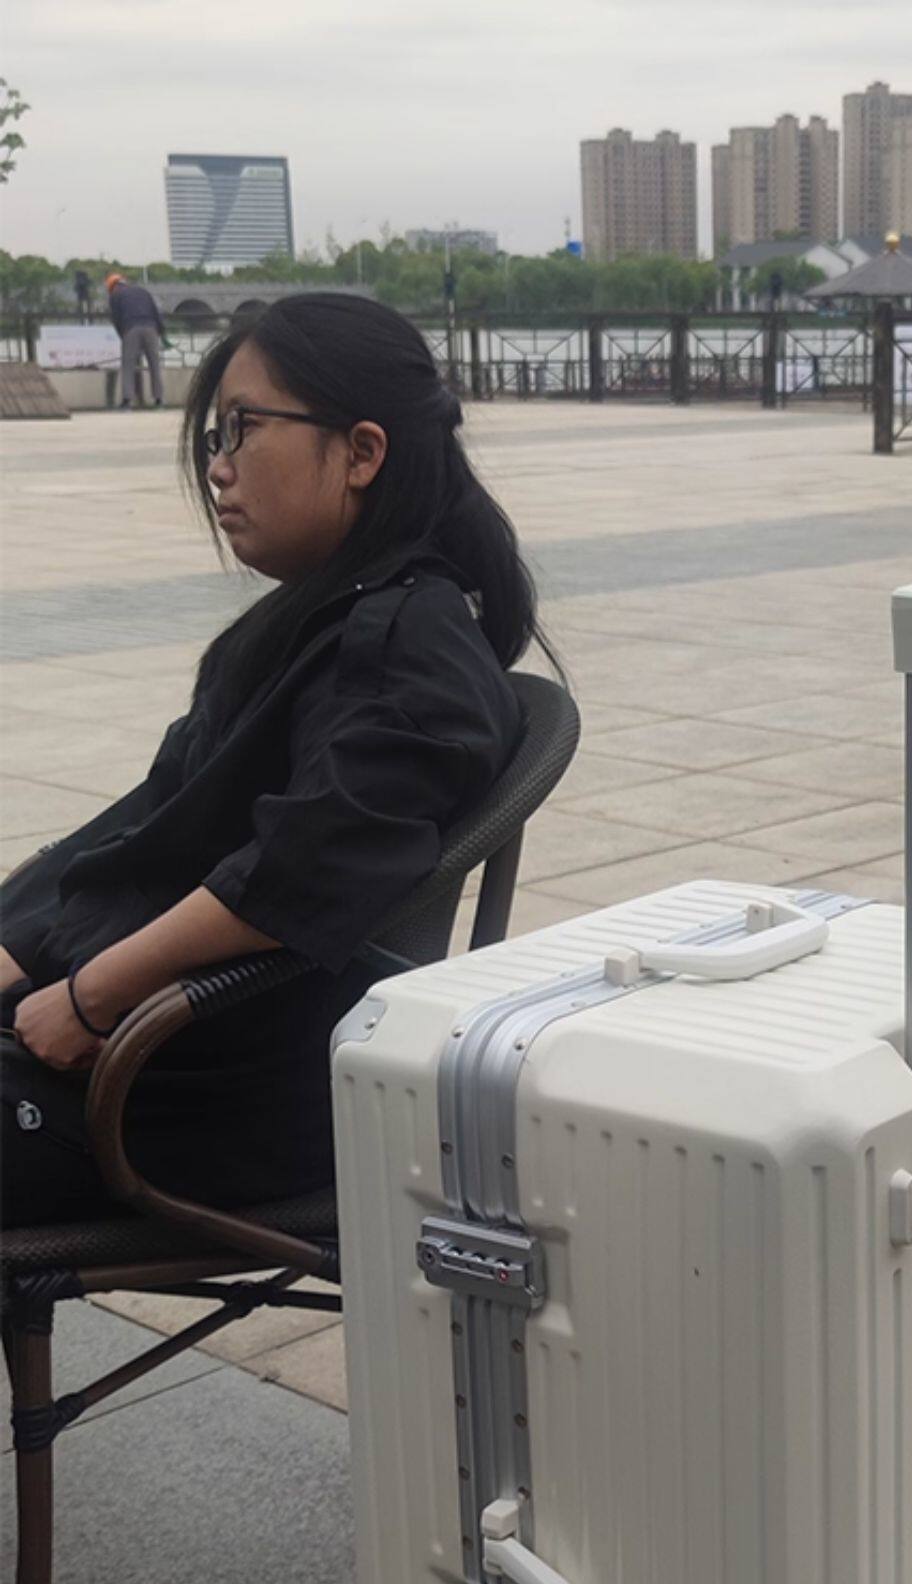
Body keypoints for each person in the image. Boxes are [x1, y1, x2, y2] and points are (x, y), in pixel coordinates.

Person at [0, 294, 536, 1227]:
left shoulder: (408, 649)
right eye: (218, 435)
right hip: (145, 1053)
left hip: (187, 1095)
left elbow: (300, 870)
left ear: (362, 452)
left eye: (243, 428)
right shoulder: (321, 620)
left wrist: (87, 1001)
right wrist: (19, 942)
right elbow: (147, 827)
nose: (218, 466)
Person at [105, 269, 165, 409]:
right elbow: (155, 312)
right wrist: (160, 331)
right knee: (154, 365)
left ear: (112, 286)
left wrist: (123, 335)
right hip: (151, 328)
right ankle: (159, 400)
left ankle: (127, 401)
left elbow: (116, 318)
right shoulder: (142, 291)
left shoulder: (115, 295)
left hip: (131, 329)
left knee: (128, 365)